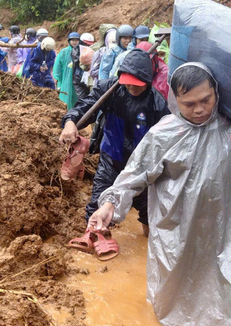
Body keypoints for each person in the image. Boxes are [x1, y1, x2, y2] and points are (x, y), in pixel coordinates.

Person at [88, 63, 231, 326]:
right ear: (175, 100)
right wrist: (109, 205)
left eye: (205, 100)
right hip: (181, 233)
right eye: (189, 104)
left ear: (216, 93)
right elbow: (134, 174)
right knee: (179, 295)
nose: (199, 109)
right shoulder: (164, 134)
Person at [60, 49, 170, 236]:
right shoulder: (109, 89)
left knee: (150, 216)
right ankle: (94, 242)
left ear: (148, 81)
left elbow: (167, 141)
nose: (132, 88)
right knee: (98, 206)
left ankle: (147, 248)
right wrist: (70, 121)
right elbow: (86, 105)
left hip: (140, 167)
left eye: (138, 84)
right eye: (128, 83)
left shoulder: (157, 104)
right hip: (111, 158)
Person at [53, 32, 80, 109]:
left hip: (78, 80)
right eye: (72, 40)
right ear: (69, 41)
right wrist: (58, 78)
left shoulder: (81, 51)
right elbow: (57, 66)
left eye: (76, 40)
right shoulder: (64, 52)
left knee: (77, 98)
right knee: (66, 97)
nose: (74, 42)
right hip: (66, 80)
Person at [73, 32, 95, 99]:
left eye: (90, 44)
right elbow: (76, 62)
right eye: (86, 44)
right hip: (78, 78)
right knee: (82, 98)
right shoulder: (76, 49)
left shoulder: (93, 49)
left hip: (89, 78)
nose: (88, 46)